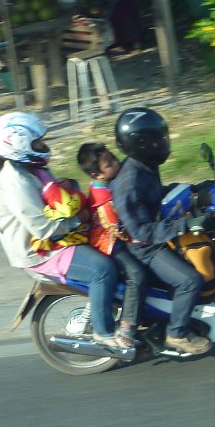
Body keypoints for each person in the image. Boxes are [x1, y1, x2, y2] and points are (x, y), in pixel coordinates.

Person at [0, 111, 125, 348]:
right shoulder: (14, 181)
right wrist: (81, 221)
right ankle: (103, 332)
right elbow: (42, 227)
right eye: (36, 142)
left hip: (57, 238)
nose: (43, 145)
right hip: (38, 250)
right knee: (102, 269)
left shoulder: (31, 167)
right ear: (19, 144)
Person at [110, 107, 215, 355]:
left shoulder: (143, 166)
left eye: (163, 137)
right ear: (141, 144)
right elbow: (141, 230)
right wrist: (186, 225)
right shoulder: (129, 182)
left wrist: (193, 190)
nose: (164, 142)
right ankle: (177, 333)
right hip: (143, 247)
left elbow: (155, 197)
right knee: (189, 280)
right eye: (158, 139)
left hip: (153, 236)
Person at [77, 142, 149, 348]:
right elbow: (116, 227)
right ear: (97, 175)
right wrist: (144, 235)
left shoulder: (107, 184)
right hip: (109, 243)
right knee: (137, 274)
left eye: (114, 158)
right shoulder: (103, 196)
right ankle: (127, 326)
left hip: (115, 239)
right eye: (109, 164)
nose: (115, 164)